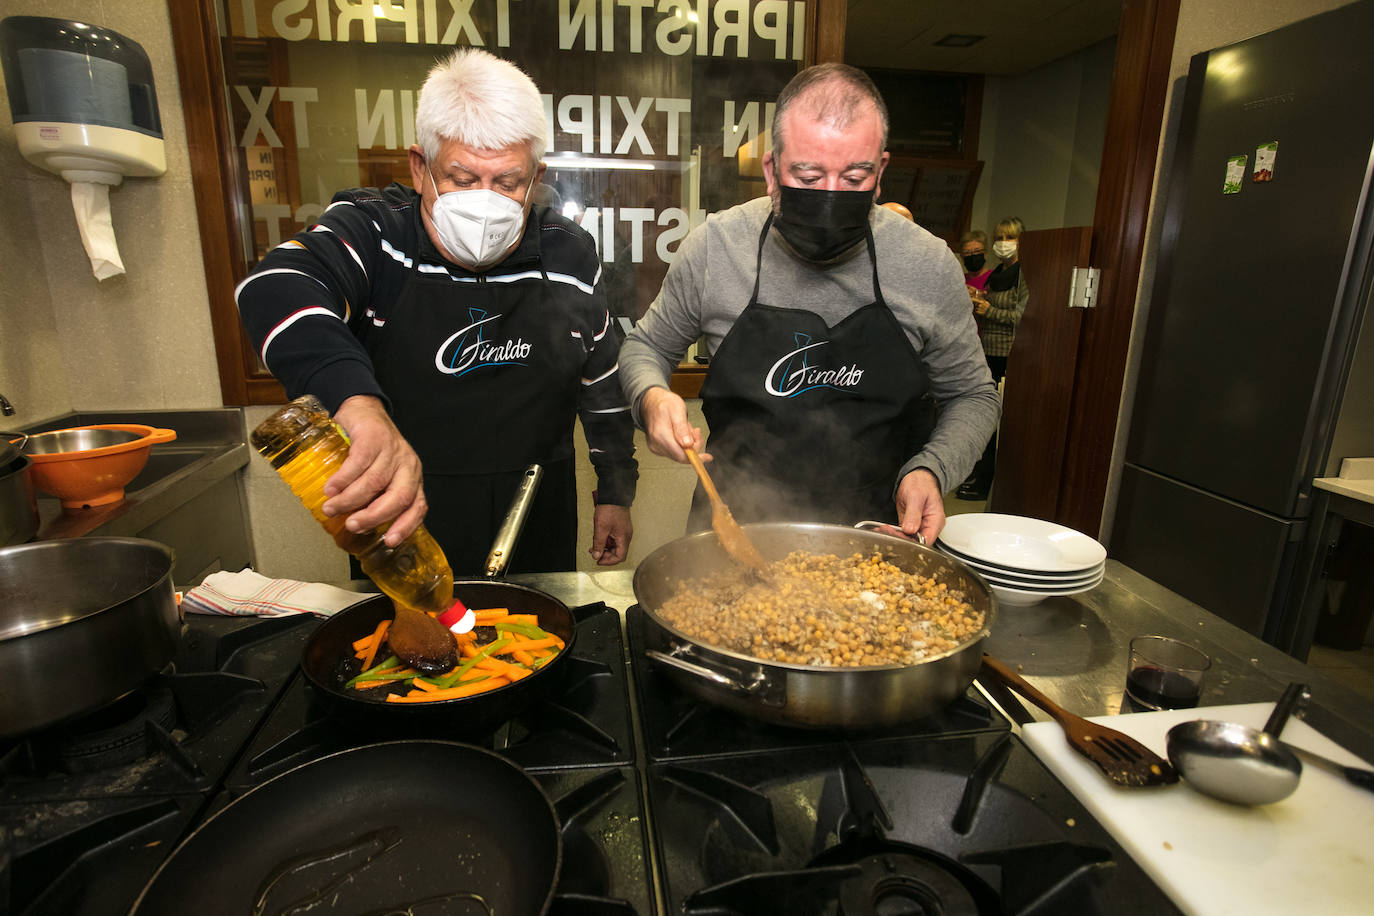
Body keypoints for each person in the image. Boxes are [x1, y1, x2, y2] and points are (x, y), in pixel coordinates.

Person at [236, 49, 637, 574]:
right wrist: (357, 407)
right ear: (420, 167)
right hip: (402, 513)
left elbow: (602, 381)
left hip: (537, 505)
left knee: (538, 644)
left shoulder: (568, 254)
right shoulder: (376, 233)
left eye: (508, 182)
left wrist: (615, 491)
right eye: (463, 178)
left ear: (535, 177)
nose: (485, 201)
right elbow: (274, 285)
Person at [619, 63, 999, 546]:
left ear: (881, 172)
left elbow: (974, 396)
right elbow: (644, 347)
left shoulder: (927, 264)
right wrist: (652, 397)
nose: (830, 196)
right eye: (810, 175)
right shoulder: (717, 248)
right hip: (735, 524)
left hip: (879, 531)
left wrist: (932, 469)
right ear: (773, 171)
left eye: (855, 177)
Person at [957, 217, 1029, 501]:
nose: (1003, 243)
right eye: (1000, 236)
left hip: (1009, 356)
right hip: (987, 351)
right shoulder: (999, 273)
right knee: (984, 418)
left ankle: (991, 482)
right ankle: (979, 474)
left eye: (1010, 237)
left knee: (1003, 425)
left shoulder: (1024, 275)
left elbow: (1025, 316)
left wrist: (989, 310)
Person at [959, 229, 993, 296]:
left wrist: (977, 294)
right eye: (967, 252)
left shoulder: (994, 277)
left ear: (985, 253)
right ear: (962, 256)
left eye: (977, 251)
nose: (972, 255)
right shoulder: (960, 280)